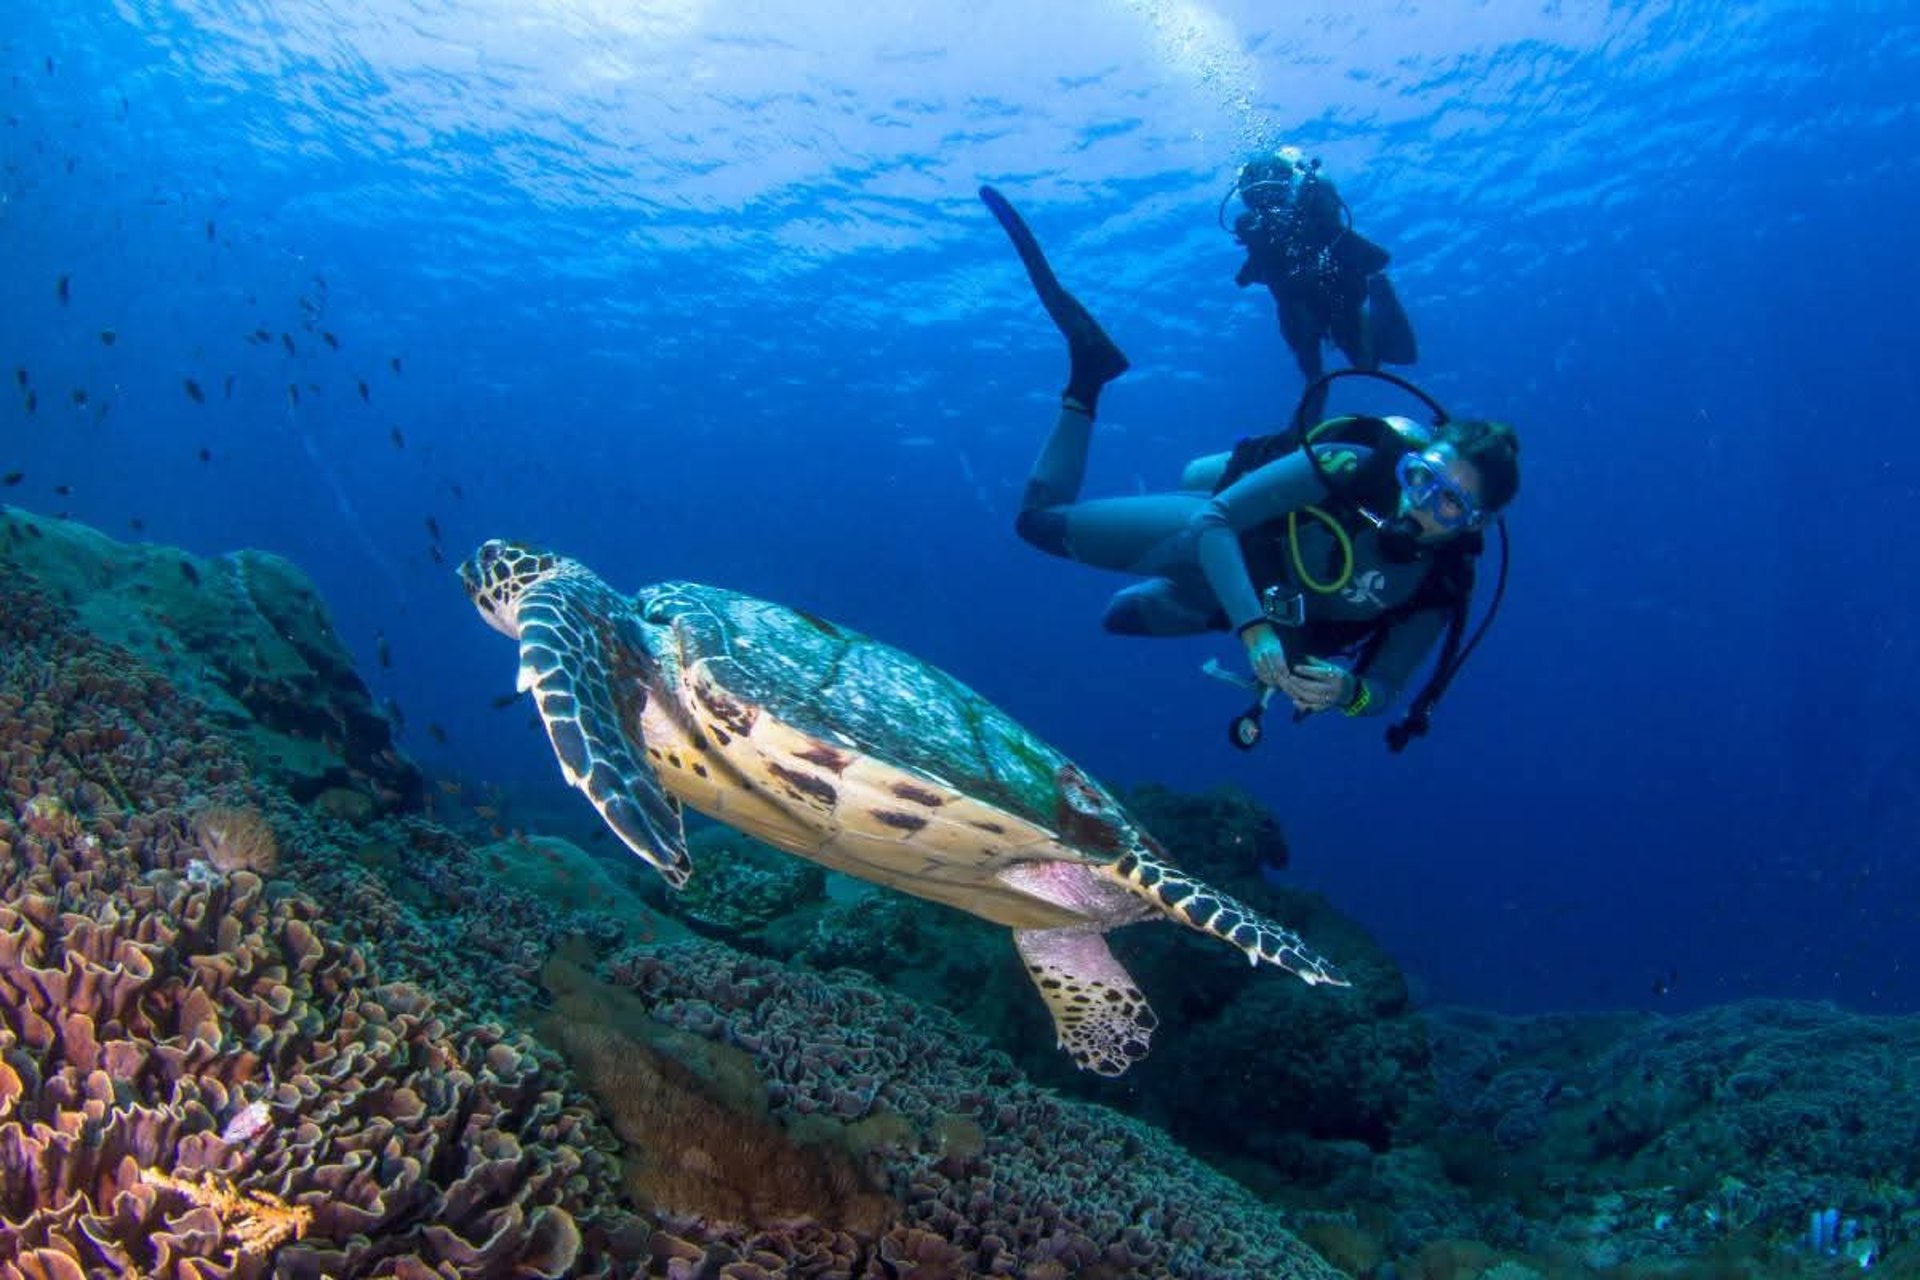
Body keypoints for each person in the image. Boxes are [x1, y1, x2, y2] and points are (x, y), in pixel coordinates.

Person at [979, 185, 1519, 743]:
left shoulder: (1440, 582)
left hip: (1238, 605)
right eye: (1421, 478)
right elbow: (1215, 521)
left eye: (1449, 503)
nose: (1420, 503)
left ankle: (1190, 573)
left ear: (1475, 522)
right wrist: (1255, 628)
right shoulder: (1352, 467)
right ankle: (1089, 376)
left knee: (1120, 617)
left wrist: (1345, 691)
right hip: (1221, 538)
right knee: (1036, 524)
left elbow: (1381, 691)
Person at [1227, 148, 1418, 425]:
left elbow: (1372, 258)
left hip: (1335, 298)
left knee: (1367, 364)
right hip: (1305, 306)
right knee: (1321, 373)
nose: (1267, 204)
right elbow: (1248, 275)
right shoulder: (1260, 235)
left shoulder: (1312, 218)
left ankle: (1308, 415)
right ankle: (1306, 421)